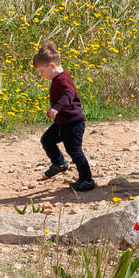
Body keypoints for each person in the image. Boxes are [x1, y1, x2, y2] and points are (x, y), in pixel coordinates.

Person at [33, 41, 95, 192]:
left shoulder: (63, 79)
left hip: (73, 122)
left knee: (74, 150)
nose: (42, 75)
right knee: (47, 139)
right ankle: (59, 163)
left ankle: (87, 180)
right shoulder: (58, 78)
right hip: (63, 122)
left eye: (42, 71)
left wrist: (56, 108)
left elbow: (69, 95)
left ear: (52, 66)